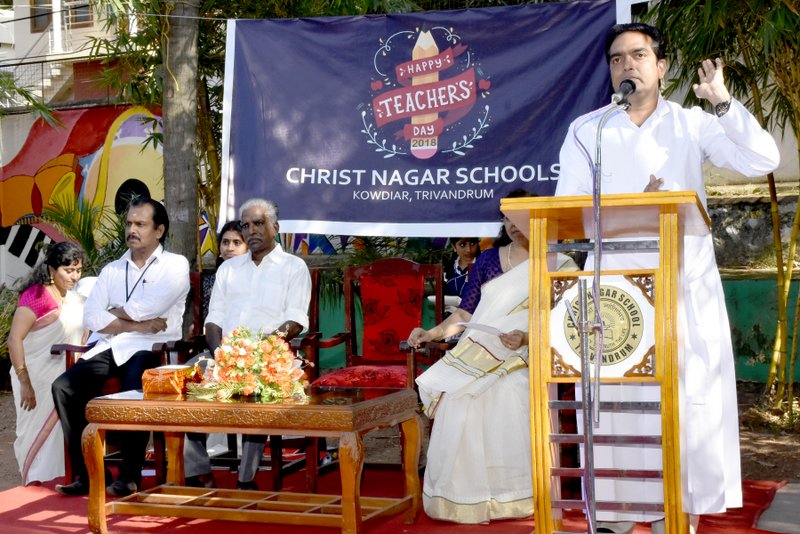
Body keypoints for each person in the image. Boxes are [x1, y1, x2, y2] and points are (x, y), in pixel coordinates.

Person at [555, 22, 780, 533]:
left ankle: (675, 511)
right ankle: (613, 514)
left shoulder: (692, 123)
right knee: (613, 402)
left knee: (680, 398)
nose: (626, 64)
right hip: (613, 288)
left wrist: (722, 102)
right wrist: (632, 205)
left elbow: (763, 158)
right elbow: (568, 210)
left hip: (681, 285)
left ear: (660, 67)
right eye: (617, 58)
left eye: (638, 55)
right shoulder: (588, 129)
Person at [407, 190, 576, 524]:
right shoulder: (487, 260)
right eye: (507, 218)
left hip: (532, 353)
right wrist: (432, 333)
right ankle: (464, 498)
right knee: (459, 397)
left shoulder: (560, 263)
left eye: (520, 218)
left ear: (539, 219)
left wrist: (527, 337)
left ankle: (516, 496)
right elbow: (464, 314)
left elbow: (566, 321)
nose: (513, 225)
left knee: (509, 389)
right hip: (480, 348)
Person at [52, 197, 190, 497]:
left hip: (152, 347)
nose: (132, 230)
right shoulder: (112, 269)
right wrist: (134, 324)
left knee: (132, 387)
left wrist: (114, 313)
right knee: (63, 387)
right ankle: (89, 474)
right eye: (129, 224)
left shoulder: (175, 265)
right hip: (111, 344)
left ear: (159, 230)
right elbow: (92, 317)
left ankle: (129, 476)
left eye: (140, 224)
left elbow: (148, 307)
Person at [183, 198, 311, 490]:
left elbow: (295, 320)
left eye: (259, 223)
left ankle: (246, 478)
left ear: (275, 227)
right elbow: (213, 319)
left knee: (257, 383)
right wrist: (221, 354)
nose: (251, 230)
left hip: (271, 354)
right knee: (188, 379)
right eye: (246, 225)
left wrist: (259, 352)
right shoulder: (229, 269)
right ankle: (198, 470)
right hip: (224, 353)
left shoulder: (293, 267)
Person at [8, 241, 87, 485]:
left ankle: (61, 479)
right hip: (35, 378)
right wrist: (25, 382)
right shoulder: (36, 297)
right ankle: (36, 481)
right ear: (52, 269)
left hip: (66, 377)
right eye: (68, 270)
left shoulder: (75, 299)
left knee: (64, 430)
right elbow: (14, 339)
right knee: (35, 431)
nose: (74, 276)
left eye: (78, 270)